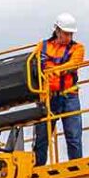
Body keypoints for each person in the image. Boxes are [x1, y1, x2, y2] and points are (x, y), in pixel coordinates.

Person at [33, 13, 85, 166]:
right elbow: (31, 65)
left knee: (74, 136)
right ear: (57, 30)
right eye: (65, 33)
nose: (68, 36)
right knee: (42, 137)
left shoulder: (77, 48)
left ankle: (76, 166)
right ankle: (38, 169)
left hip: (69, 96)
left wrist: (52, 70)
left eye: (70, 34)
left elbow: (73, 64)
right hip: (47, 98)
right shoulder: (42, 47)